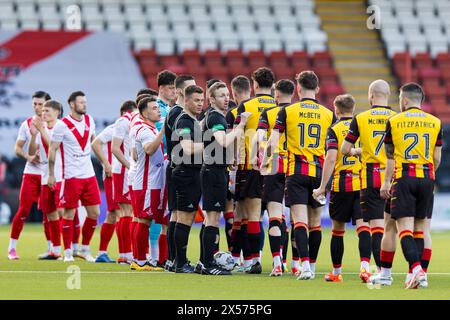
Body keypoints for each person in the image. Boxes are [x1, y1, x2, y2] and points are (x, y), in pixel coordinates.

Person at [271, 71, 336, 280]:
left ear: (298, 89)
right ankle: (314, 267)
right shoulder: (328, 114)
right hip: (319, 172)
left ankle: (304, 266)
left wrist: (265, 162)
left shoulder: (287, 111)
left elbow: (273, 142)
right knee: (315, 222)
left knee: (299, 221)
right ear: (317, 89)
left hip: (296, 171)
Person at [380, 83, 442, 289]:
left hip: (404, 177)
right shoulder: (435, 122)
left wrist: (387, 182)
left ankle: (417, 271)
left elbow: (390, 156)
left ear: (405, 100)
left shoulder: (394, 121)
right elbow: (437, 157)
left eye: (399, 99)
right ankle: (414, 274)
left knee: (403, 228)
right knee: (421, 229)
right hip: (427, 178)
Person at [312, 94, 372, 282]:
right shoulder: (362, 126)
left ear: (336, 110)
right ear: (353, 109)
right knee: (364, 227)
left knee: (338, 230)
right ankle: (365, 268)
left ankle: (337, 273)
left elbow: (330, 158)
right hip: (361, 182)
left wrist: (322, 187)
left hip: (341, 184)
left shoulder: (334, 129)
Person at [341, 80, 397, 271]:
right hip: (393, 177)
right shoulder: (397, 118)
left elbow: (345, 149)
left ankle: (382, 271)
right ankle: (403, 269)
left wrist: (357, 152)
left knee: (376, 228)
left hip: (370, 177)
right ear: (388, 95)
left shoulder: (361, 118)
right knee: (392, 228)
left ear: (371, 95)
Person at [200, 82, 250, 275]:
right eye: (221, 95)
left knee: (210, 219)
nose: (226, 98)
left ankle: (204, 262)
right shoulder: (215, 116)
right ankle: (207, 264)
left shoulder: (212, 116)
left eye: (227, 94)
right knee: (213, 218)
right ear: (211, 99)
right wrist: (241, 125)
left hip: (215, 170)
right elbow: (223, 141)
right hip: (214, 171)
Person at [48, 91, 103, 262]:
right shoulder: (62, 125)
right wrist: (51, 174)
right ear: (72, 104)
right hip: (71, 176)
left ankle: (84, 249)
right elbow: (53, 149)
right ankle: (68, 252)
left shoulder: (90, 120)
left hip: (89, 174)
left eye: (85, 102)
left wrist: (105, 163)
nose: (84, 105)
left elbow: (94, 143)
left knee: (94, 213)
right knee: (69, 214)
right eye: (81, 102)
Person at [233, 67, 277, 274]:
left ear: (255, 85)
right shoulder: (280, 106)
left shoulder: (246, 105)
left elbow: (237, 134)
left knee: (250, 215)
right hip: (277, 165)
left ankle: (251, 261)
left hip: (251, 165)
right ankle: (281, 261)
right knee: (278, 215)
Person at [8, 91, 52, 260]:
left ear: (48, 105)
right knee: (24, 210)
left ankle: (52, 248)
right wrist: (28, 157)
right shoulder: (27, 124)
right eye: (34, 104)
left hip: (49, 173)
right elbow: (18, 148)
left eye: (40, 104)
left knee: (49, 213)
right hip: (32, 172)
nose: (37, 107)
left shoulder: (56, 124)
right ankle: (12, 248)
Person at [91, 101, 136, 263]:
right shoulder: (115, 128)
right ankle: (121, 253)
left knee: (115, 214)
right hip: (115, 174)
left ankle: (117, 253)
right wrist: (106, 163)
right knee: (119, 213)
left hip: (117, 174)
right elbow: (95, 143)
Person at [258, 79, 295, 276]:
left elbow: (260, 139)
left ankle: (277, 263)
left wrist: (262, 159)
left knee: (274, 216)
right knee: (296, 218)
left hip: (274, 166)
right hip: (296, 168)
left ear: (276, 95)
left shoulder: (269, 113)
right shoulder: (298, 113)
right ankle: (296, 264)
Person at [171, 85, 205, 273]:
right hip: (186, 172)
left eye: (202, 100)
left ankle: (179, 260)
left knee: (185, 217)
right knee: (184, 218)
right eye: (196, 100)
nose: (200, 104)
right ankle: (180, 263)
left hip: (191, 172)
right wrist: (210, 143)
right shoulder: (184, 121)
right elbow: (188, 148)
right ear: (186, 101)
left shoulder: (192, 121)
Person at [164, 75, 196, 272]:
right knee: (182, 215)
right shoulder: (179, 115)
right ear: (181, 92)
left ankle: (173, 260)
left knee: (176, 215)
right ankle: (179, 261)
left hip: (176, 167)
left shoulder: (174, 112)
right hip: (182, 168)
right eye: (191, 89)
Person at [130, 97, 166, 271]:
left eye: (158, 108)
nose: (158, 111)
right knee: (143, 220)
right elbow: (149, 149)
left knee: (144, 220)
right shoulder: (144, 130)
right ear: (144, 113)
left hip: (152, 182)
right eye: (154, 108)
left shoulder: (149, 129)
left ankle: (139, 259)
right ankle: (139, 260)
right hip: (146, 183)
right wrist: (163, 131)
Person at [28, 100, 64, 260]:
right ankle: (55, 250)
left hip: (60, 174)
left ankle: (71, 248)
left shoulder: (60, 127)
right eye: (43, 111)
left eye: (47, 111)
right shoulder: (41, 129)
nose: (43, 114)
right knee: (49, 213)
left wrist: (41, 130)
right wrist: (34, 134)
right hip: (44, 174)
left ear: (57, 112)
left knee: (63, 212)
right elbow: (31, 152)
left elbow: (53, 147)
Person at [227, 75, 252, 268]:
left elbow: (230, 143)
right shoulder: (273, 109)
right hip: (272, 168)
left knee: (239, 214)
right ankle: (279, 261)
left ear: (233, 92)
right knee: (263, 216)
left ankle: (237, 257)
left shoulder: (234, 112)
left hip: (241, 169)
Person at [111, 100, 138, 264]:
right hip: (123, 171)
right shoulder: (124, 120)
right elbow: (115, 148)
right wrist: (129, 166)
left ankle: (124, 254)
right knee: (127, 212)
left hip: (124, 170)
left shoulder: (129, 120)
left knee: (123, 213)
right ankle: (127, 254)